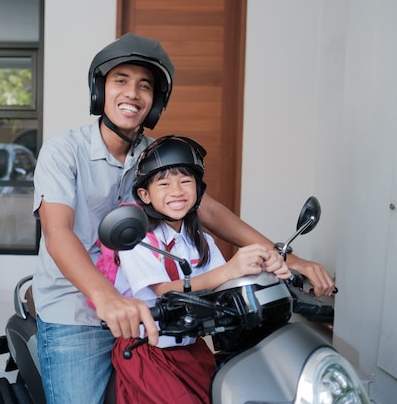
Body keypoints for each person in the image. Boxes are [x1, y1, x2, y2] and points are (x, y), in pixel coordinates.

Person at [32, 32, 334, 404]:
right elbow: (57, 232)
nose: (133, 93)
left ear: (155, 102)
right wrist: (107, 297)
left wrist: (287, 257)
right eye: (121, 81)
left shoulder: (155, 156)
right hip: (76, 309)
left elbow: (208, 210)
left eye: (145, 86)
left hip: (149, 311)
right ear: (100, 89)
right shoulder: (63, 151)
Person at [104, 135, 290, 403]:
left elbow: (223, 285)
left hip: (191, 349)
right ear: (145, 194)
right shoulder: (137, 240)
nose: (177, 190)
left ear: (199, 190)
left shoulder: (199, 241)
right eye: (164, 183)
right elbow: (165, 291)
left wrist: (265, 266)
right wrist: (230, 269)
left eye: (185, 181)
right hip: (148, 352)